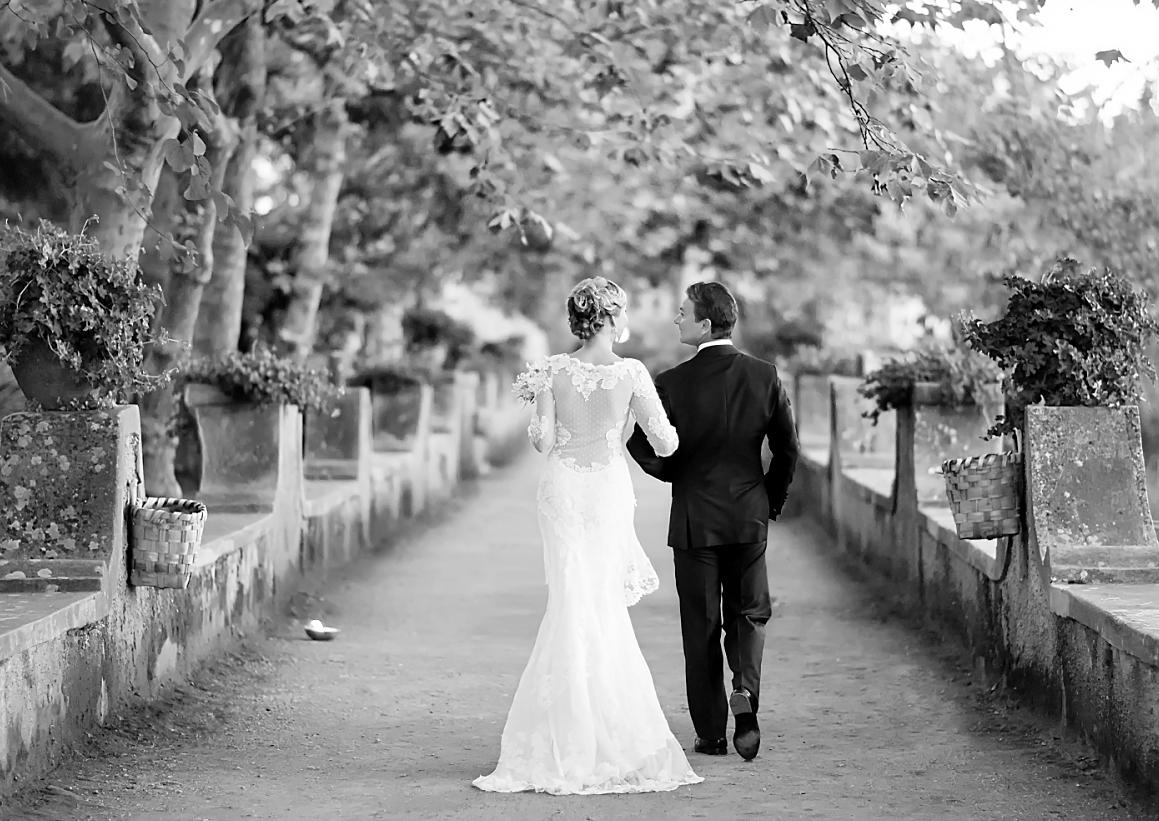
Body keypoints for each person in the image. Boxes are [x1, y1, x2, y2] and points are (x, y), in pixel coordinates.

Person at [473, 276, 703, 795]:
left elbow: (542, 441)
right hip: (605, 490)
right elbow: (666, 443)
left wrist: (539, 406)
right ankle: (608, 731)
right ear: (611, 318)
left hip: (561, 491)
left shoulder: (552, 369)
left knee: (570, 600)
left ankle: (564, 734)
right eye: (623, 314)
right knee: (600, 604)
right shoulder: (632, 372)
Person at [627, 280, 799, 762]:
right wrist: (769, 500)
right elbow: (787, 448)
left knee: (699, 626)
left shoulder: (673, 382)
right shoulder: (764, 376)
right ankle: (745, 687)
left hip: (694, 519)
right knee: (749, 613)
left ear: (705, 324)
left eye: (683, 313)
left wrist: (678, 472)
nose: (676, 318)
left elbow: (641, 445)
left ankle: (711, 733)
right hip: (749, 517)